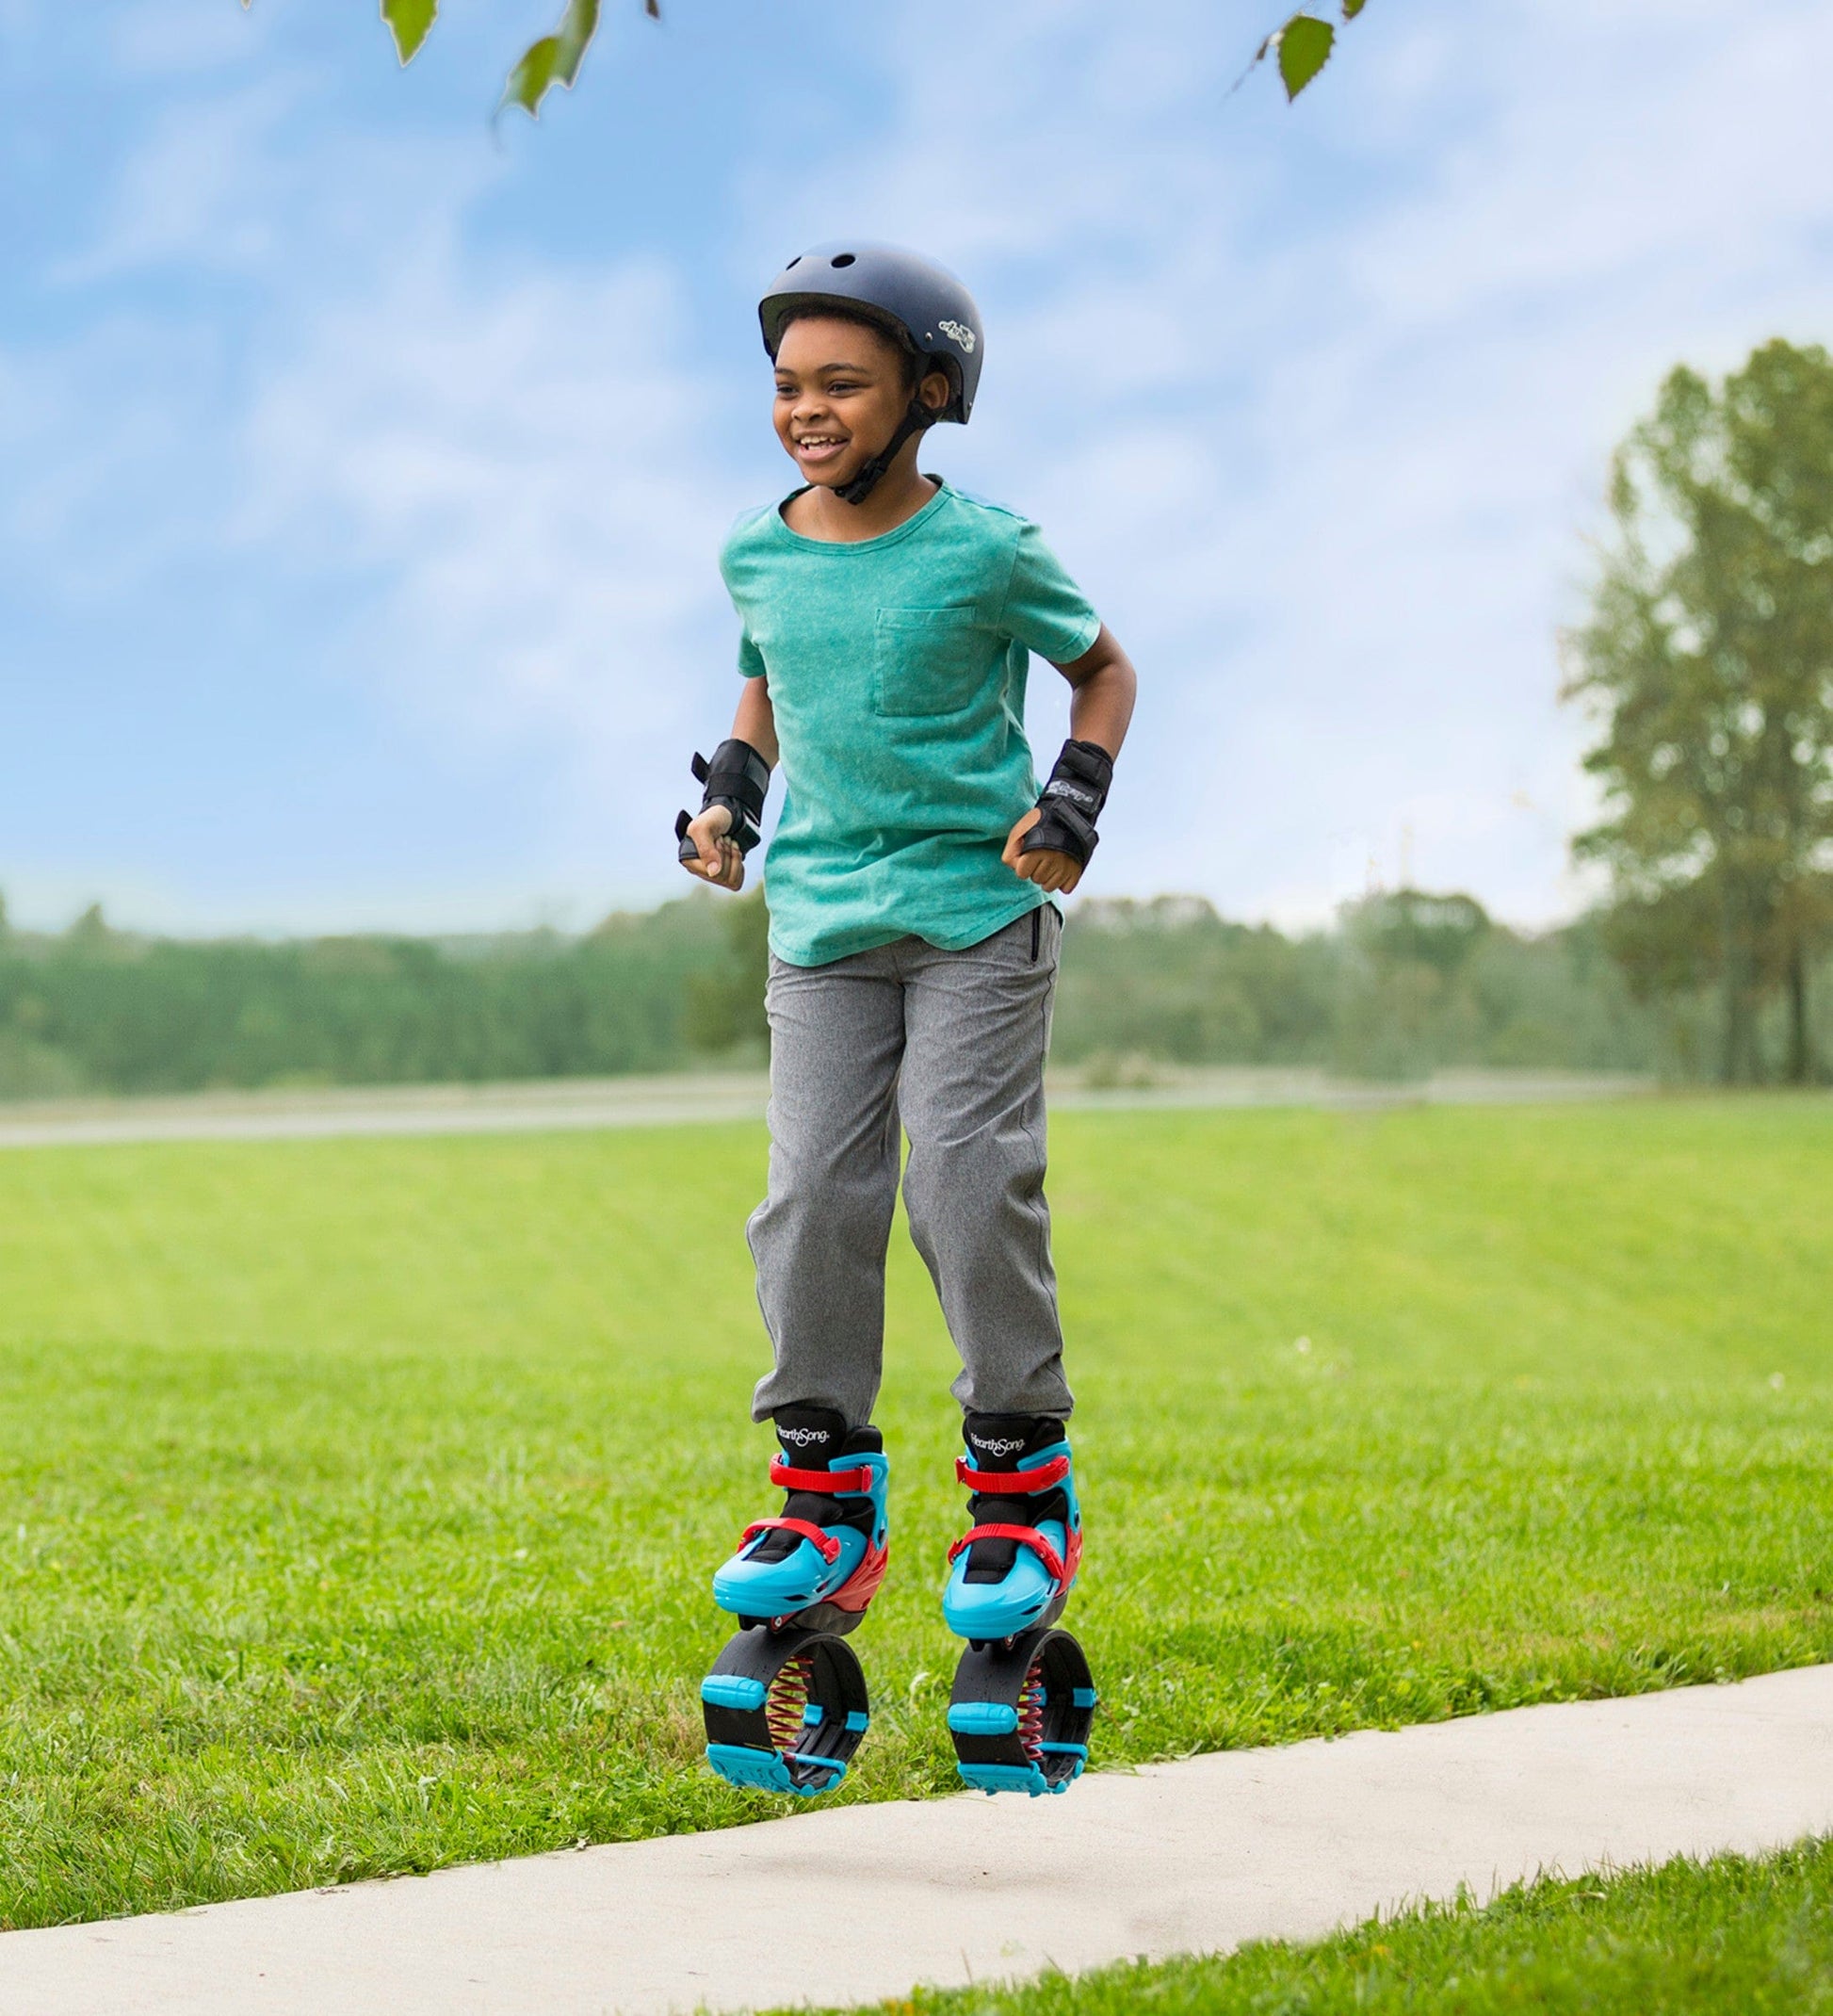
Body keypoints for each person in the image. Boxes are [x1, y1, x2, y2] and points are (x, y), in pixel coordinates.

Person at [676, 242, 1136, 1700]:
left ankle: (1019, 1476)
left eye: (842, 386)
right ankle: (825, 1490)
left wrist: (1070, 804)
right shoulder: (755, 546)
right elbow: (765, 669)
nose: (807, 410)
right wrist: (731, 801)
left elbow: (1105, 670)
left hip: (973, 910)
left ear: (927, 393)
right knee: (811, 1190)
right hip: (820, 923)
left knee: (961, 1182)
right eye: (787, 387)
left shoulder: (989, 548)